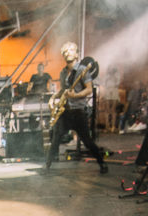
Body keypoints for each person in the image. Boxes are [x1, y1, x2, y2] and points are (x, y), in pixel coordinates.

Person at [46, 42, 107, 173]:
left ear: (77, 54)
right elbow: (64, 90)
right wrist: (53, 97)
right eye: (65, 51)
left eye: (71, 50)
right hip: (65, 111)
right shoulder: (63, 72)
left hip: (78, 111)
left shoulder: (82, 70)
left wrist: (76, 95)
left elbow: (89, 89)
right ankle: (47, 166)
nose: (68, 53)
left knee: (87, 141)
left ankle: (102, 164)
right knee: (55, 138)